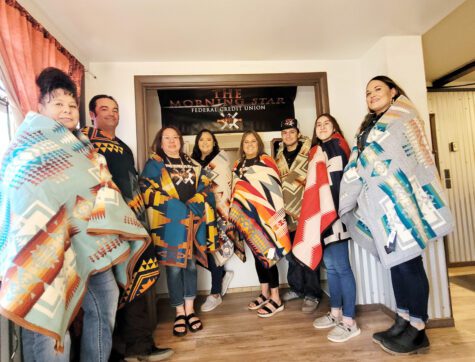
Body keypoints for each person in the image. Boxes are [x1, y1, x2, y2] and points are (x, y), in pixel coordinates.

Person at [0, 67, 150, 361]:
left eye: (71, 105)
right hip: (43, 249)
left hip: (90, 242)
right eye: (59, 104)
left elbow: (99, 191)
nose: (67, 111)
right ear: (41, 106)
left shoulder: (82, 147)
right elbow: (24, 198)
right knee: (50, 325)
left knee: (105, 303)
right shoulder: (26, 149)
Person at [339, 76, 454, 355]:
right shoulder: (367, 127)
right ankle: (402, 319)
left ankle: (418, 329)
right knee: (396, 263)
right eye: (367, 92)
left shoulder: (403, 116)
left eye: (377, 89)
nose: (372, 95)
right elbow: (360, 161)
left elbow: (412, 158)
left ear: (393, 91)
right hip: (381, 208)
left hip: (402, 202)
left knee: (410, 265)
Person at [83, 95, 172, 361]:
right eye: (104, 109)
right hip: (107, 228)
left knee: (138, 283)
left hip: (136, 225)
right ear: (92, 114)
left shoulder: (122, 146)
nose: (112, 114)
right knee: (112, 291)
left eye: (115, 109)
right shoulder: (84, 143)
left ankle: (139, 346)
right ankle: (115, 351)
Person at [140, 126, 217, 337]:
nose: (172, 141)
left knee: (191, 266)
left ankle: (191, 310)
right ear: (160, 141)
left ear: (181, 141)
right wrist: (173, 205)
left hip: (193, 222)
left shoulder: (192, 163)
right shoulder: (155, 164)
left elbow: (206, 187)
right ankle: (179, 312)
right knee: (174, 269)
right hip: (169, 224)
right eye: (167, 138)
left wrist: (199, 199)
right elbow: (146, 190)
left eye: (176, 138)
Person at [302, 114, 360, 342]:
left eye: (327, 123)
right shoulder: (318, 151)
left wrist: (335, 214)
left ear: (335, 127)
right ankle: (335, 312)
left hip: (336, 216)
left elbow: (340, 184)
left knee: (342, 268)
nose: (323, 127)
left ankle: (349, 321)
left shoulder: (338, 147)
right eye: (319, 124)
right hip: (321, 217)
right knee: (332, 268)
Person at [228, 130, 291, 318]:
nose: (249, 144)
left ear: (258, 144)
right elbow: (236, 192)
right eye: (246, 142)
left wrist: (271, 218)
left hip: (267, 220)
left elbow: (274, 190)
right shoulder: (237, 165)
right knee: (258, 258)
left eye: (253, 141)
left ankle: (276, 298)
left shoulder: (267, 162)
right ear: (242, 145)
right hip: (248, 220)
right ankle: (264, 293)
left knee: (268, 259)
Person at [275, 118, 322, 313]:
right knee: (291, 254)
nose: (288, 136)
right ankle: (297, 288)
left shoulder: (310, 152)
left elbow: (315, 176)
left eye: (291, 132)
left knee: (307, 252)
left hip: (307, 210)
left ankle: (312, 293)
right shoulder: (277, 158)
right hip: (286, 213)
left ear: (298, 133)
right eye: (285, 133)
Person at [190, 129, 234, 312]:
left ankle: (215, 293)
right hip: (197, 212)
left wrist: (224, 211)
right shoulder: (190, 163)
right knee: (194, 250)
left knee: (213, 250)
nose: (205, 142)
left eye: (209, 139)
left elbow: (227, 185)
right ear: (197, 142)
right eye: (202, 139)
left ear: (214, 142)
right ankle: (223, 274)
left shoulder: (222, 162)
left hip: (218, 212)